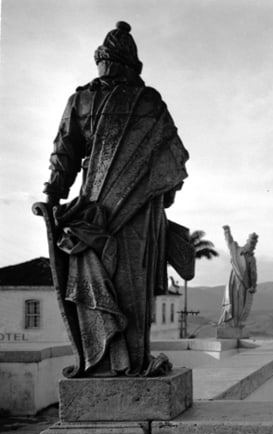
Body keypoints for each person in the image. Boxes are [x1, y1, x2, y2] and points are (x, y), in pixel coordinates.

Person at [41, 21, 190, 377]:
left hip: (101, 210)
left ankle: (115, 361)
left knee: (113, 279)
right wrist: (160, 194)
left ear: (104, 61)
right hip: (125, 209)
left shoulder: (86, 100)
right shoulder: (144, 100)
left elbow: (64, 155)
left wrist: (52, 194)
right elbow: (173, 160)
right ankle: (121, 360)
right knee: (129, 284)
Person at [218, 226, 258, 329]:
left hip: (245, 285)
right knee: (232, 303)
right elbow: (230, 242)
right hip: (234, 281)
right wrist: (227, 232)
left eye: (254, 244)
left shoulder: (251, 258)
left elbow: (253, 273)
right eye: (252, 243)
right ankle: (229, 323)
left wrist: (253, 286)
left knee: (241, 305)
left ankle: (237, 324)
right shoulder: (236, 250)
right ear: (248, 242)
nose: (253, 246)